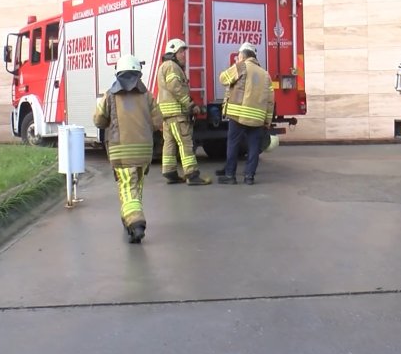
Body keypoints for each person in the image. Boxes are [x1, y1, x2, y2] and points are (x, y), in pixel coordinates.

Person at [93, 54, 162, 244]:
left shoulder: (110, 95)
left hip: (120, 151)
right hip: (144, 151)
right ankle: (130, 221)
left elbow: (98, 121)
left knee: (126, 187)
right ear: (138, 74)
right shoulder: (147, 95)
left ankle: (136, 223)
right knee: (136, 185)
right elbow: (157, 122)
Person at [217, 42, 274, 185]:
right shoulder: (265, 74)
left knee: (233, 144)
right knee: (254, 146)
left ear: (242, 55)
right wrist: (267, 120)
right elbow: (270, 101)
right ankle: (249, 177)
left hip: (238, 115)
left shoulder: (241, 66)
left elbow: (223, 79)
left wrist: (236, 64)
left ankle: (230, 175)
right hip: (258, 118)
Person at [157, 38, 211, 186]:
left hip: (168, 115)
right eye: (181, 52)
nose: (183, 55)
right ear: (173, 53)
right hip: (177, 114)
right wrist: (191, 105)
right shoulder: (172, 67)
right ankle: (192, 174)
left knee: (170, 143)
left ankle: (170, 172)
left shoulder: (165, 66)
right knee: (185, 142)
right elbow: (176, 87)